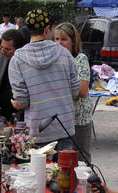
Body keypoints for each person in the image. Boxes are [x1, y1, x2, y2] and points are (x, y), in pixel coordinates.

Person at [9, 9, 80, 152]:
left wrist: (15, 103)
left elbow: (22, 102)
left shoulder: (17, 60)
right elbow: (75, 90)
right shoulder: (65, 54)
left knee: (41, 172)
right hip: (64, 127)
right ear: (48, 29)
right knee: (63, 172)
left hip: (37, 131)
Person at [52, 22, 93, 162]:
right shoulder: (52, 60)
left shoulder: (80, 59)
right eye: (56, 39)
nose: (59, 43)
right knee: (62, 160)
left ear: (73, 41)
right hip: (60, 118)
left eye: (64, 39)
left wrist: (56, 89)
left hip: (78, 119)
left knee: (81, 159)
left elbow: (82, 90)